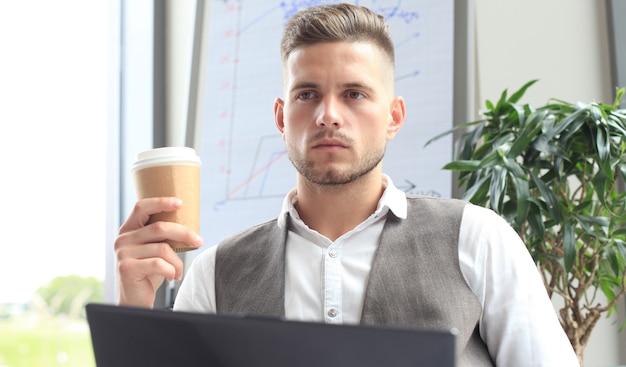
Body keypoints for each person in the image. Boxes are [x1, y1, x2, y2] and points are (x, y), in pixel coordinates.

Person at [115, 3, 579, 366]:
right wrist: (133, 310)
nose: (328, 114)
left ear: (393, 117)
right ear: (282, 117)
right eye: (307, 94)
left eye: (354, 94)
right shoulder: (215, 272)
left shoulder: (478, 239)